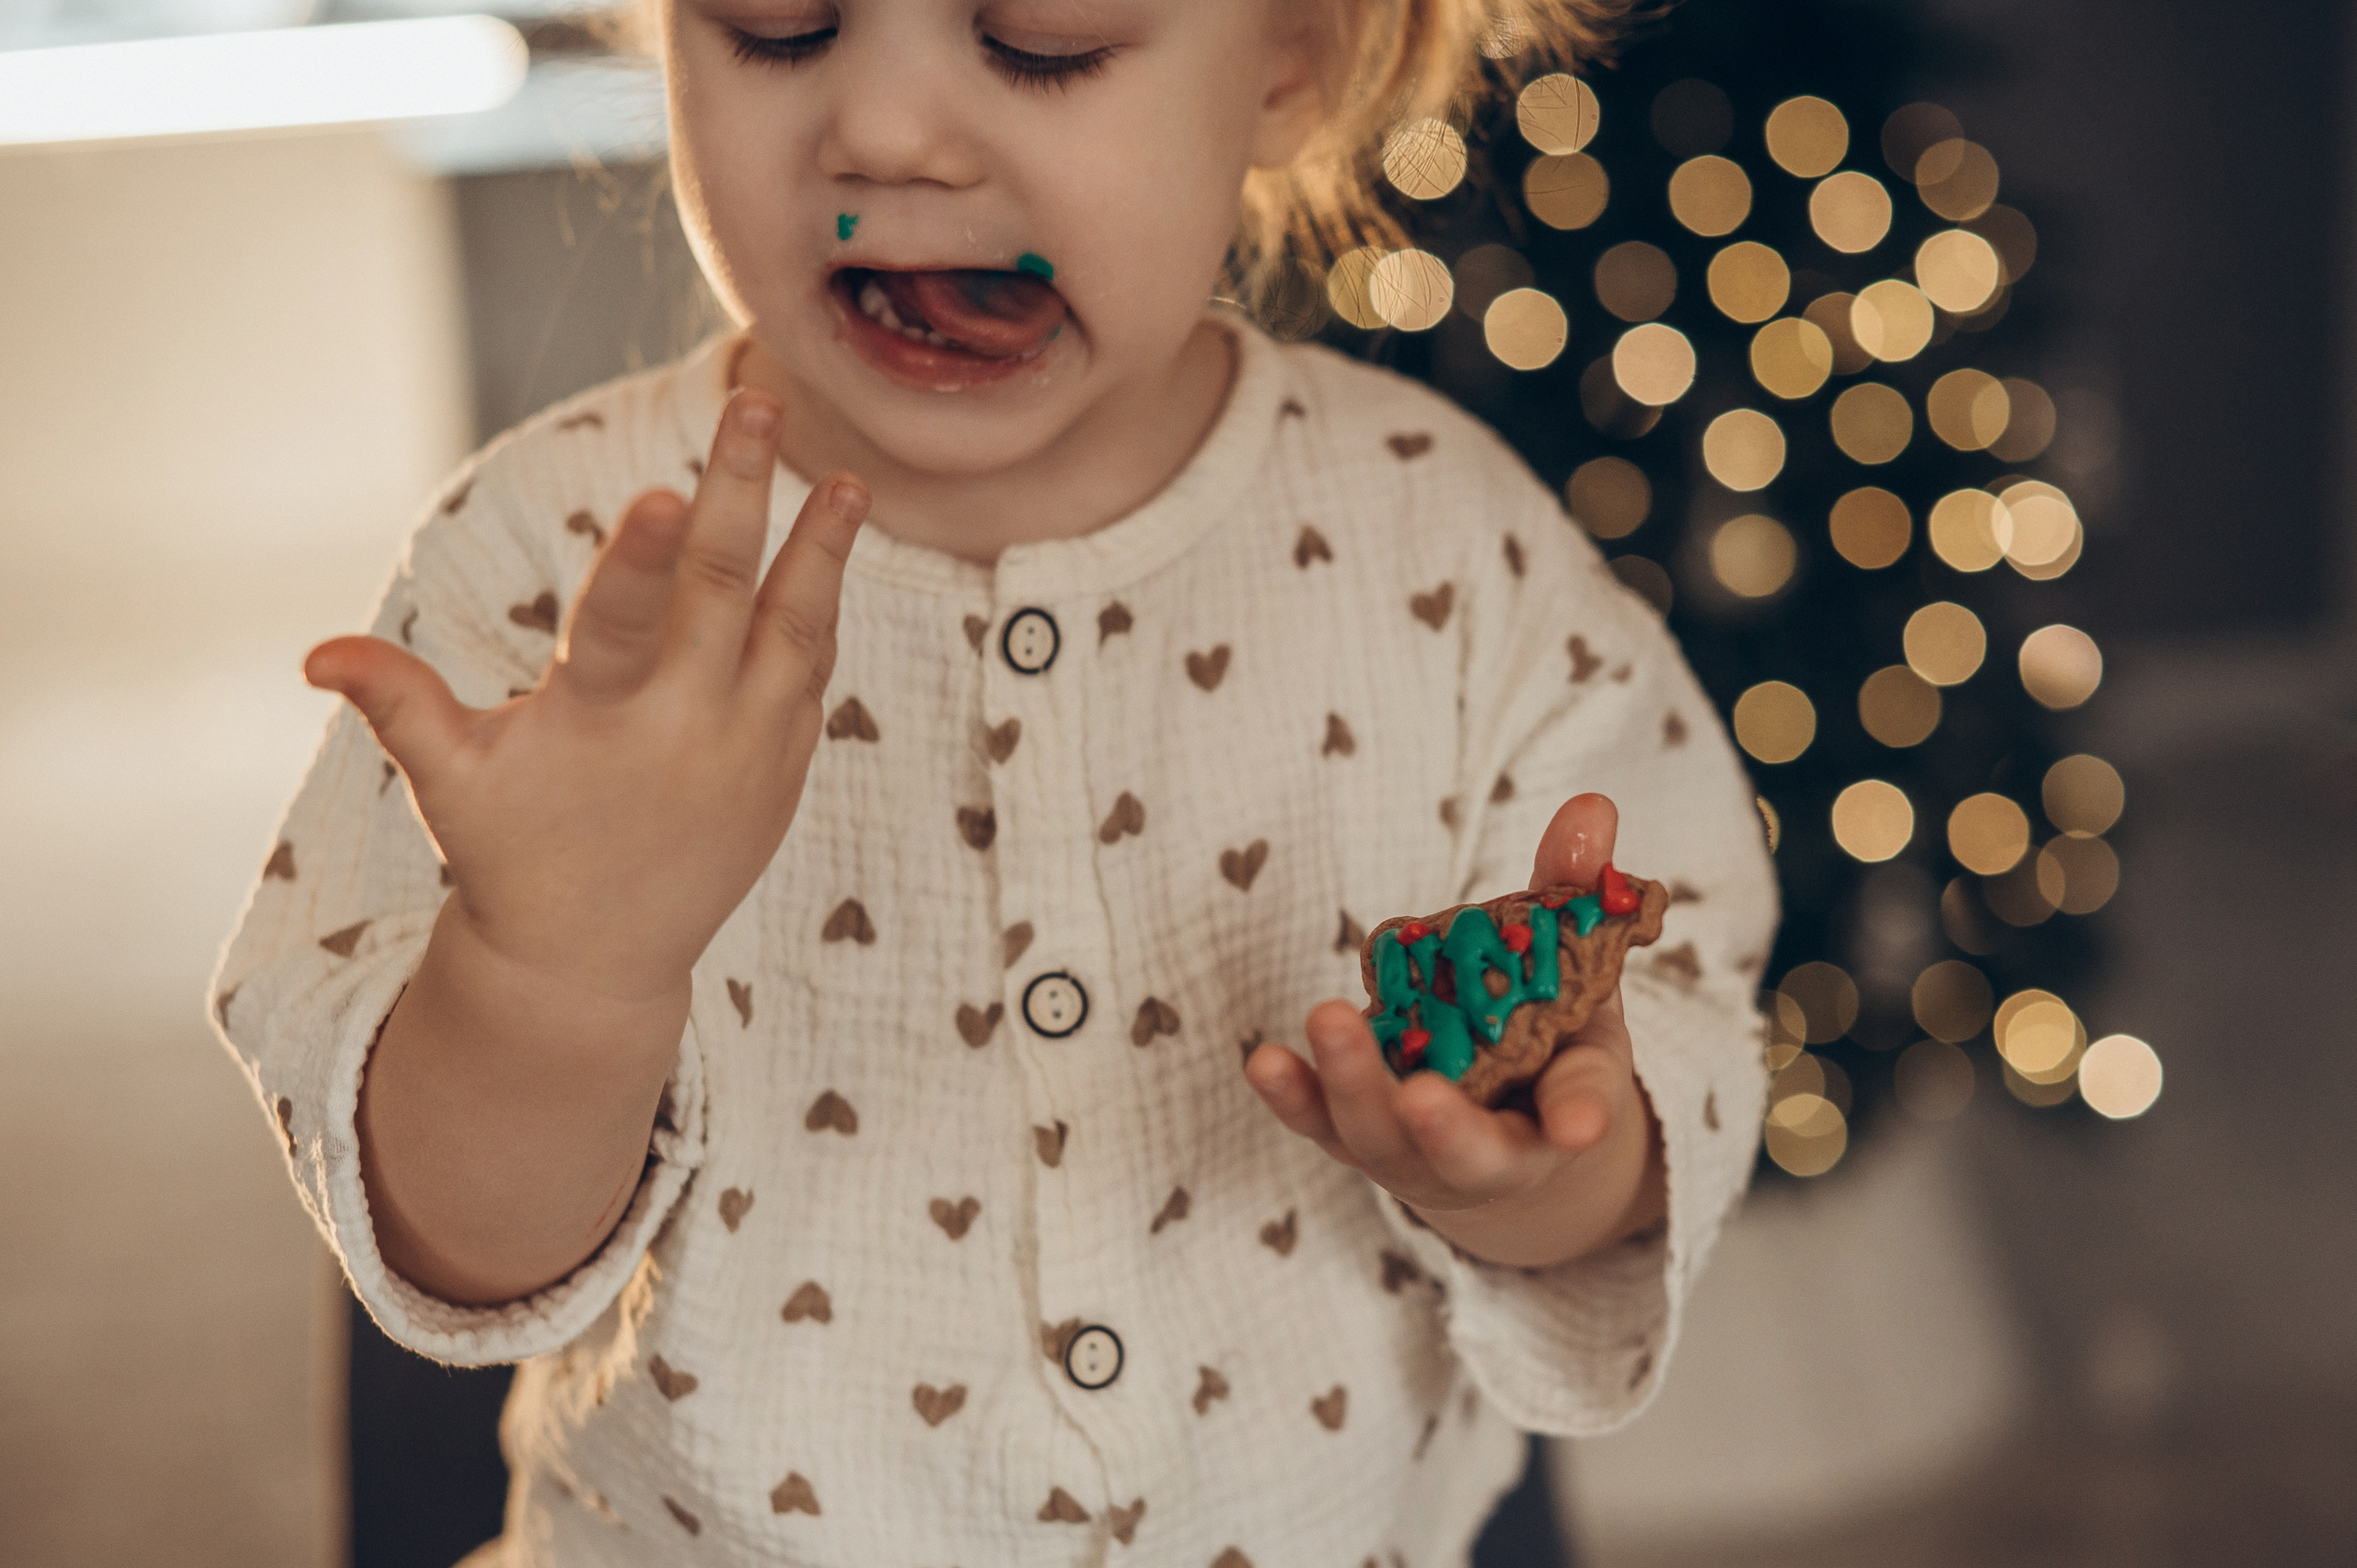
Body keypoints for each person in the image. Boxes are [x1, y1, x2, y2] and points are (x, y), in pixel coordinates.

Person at [212, 1, 1778, 1562]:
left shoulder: (1453, 549)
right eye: (775, 24)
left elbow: (1676, 1046)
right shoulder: (554, 570)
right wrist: (553, 969)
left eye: (1044, 40)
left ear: (1288, 61)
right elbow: (455, 1257)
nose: (885, 133)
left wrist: (1530, 1187)